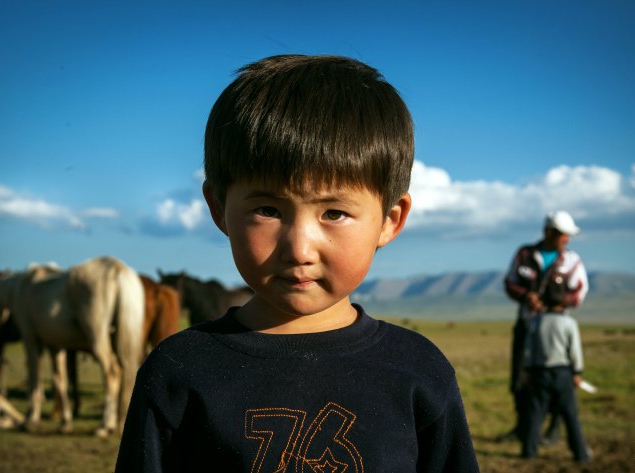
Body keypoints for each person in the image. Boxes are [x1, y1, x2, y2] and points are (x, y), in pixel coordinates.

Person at [115, 55, 479, 472]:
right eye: (269, 210)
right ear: (218, 208)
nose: (300, 249)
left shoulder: (419, 370)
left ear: (389, 220)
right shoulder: (177, 371)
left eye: (334, 213)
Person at [501, 211, 588, 444]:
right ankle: (523, 428)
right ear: (549, 232)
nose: (567, 240)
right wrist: (526, 296)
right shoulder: (525, 254)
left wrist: (554, 303)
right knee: (520, 377)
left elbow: (578, 294)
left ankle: (554, 429)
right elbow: (510, 283)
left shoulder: (572, 262)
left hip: (555, 330)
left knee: (556, 378)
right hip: (527, 325)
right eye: (563, 235)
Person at [520, 309, 591, 462]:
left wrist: (527, 370)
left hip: (540, 372)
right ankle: (580, 453)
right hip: (562, 372)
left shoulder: (536, 321)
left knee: (536, 413)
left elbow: (528, 349)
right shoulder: (569, 322)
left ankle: (528, 451)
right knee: (570, 414)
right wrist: (577, 371)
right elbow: (575, 350)